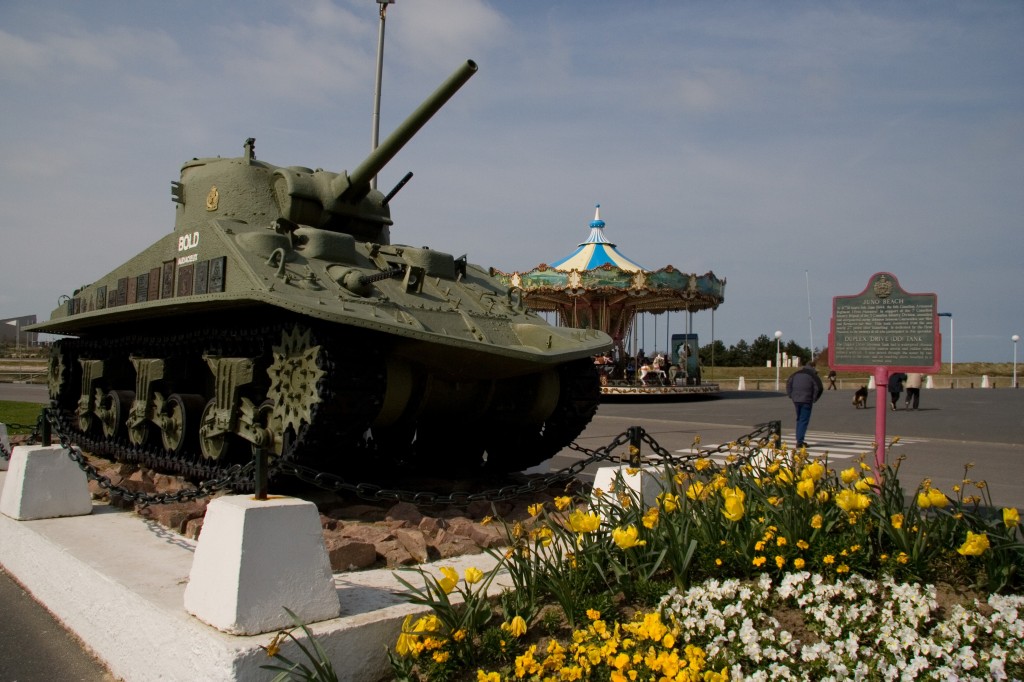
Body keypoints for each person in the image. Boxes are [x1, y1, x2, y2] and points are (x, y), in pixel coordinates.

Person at [786, 360, 824, 449]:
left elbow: (788, 383)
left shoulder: (796, 374)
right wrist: (814, 399)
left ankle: (799, 438)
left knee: (799, 419)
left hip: (796, 399)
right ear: (813, 366)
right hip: (806, 400)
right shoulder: (813, 375)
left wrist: (791, 395)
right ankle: (800, 441)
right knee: (803, 420)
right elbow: (819, 388)